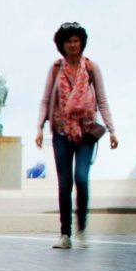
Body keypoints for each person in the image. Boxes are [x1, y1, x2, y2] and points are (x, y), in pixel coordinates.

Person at [35, 22, 118, 250]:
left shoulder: (91, 68)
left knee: (81, 178)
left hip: (86, 132)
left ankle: (82, 228)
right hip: (61, 131)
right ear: (62, 45)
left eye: (76, 40)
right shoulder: (55, 68)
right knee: (64, 183)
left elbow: (102, 100)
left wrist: (111, 130)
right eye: (68, 41)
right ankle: (65, 234)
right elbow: (45, 100)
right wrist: (39, 128)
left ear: (82, 42)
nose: (73, 45)